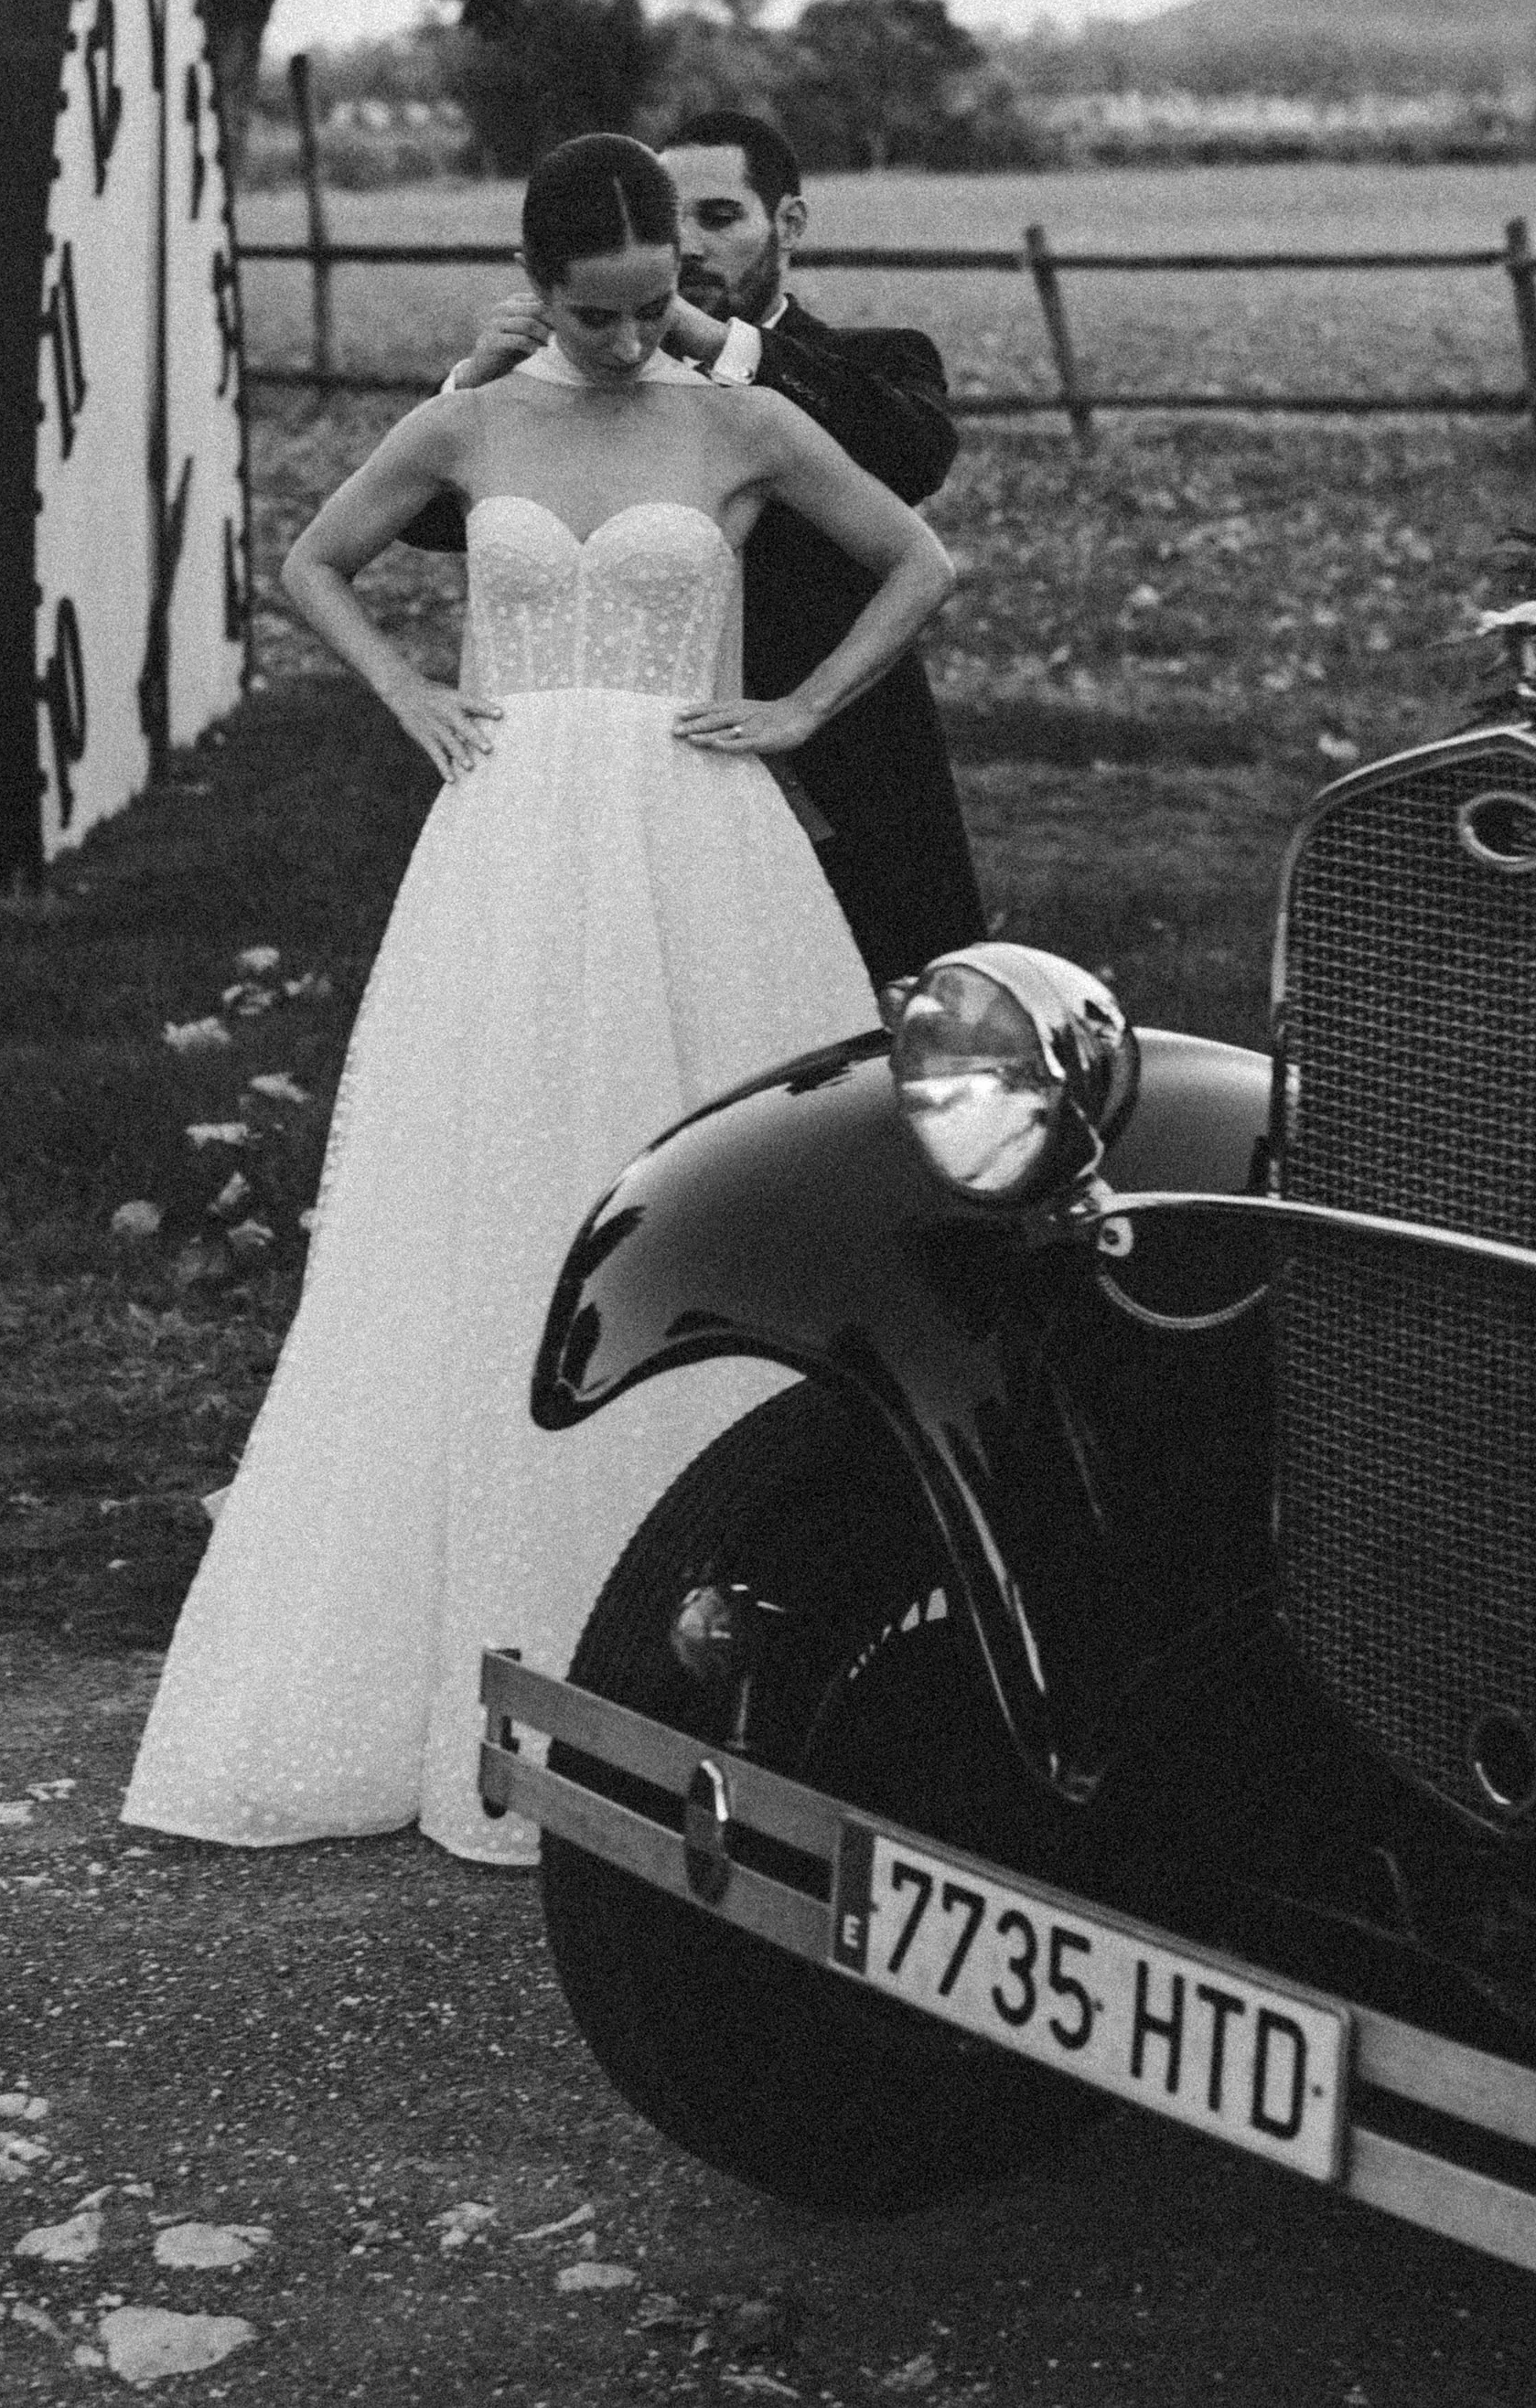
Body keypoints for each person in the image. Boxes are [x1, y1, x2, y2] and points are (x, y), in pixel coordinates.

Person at [122, 135, 956, 1865]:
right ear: (538, 284)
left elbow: (916, 559)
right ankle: (445, 1649)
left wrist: (801, 710)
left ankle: (731, 1638)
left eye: (659, 303)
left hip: (688, 826)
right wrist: (410, 691)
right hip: (503, 844)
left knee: (713, 1185)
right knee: (477, 1200)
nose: (633, 337)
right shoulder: (473, 416)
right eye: (599, 314)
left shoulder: (735, 420)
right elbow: (313, 561)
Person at [425, 112, 985, 988]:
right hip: (636, 800)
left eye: (717, 217)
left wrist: (709, 341)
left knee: (884, 1051)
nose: (684, 245)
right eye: (667, 218)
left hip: (849, 773)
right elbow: (434, 523)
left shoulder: (874, 362)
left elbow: (911, 458)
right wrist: (474, 389)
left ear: (787, 225)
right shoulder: (575, 383)